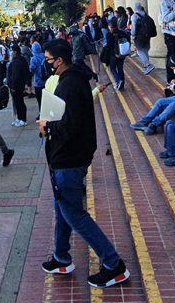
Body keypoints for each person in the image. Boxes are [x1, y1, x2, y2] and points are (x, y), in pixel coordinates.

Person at [39, 40, 130, 288]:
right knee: (62, 208)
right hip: (70, 156)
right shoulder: (73, 79)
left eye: (48, 59)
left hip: (68, 159)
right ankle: (60, 257)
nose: (46, 63)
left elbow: (67, 125)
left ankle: (113, 264)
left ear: (59, 60)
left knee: (74, 214)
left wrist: (46, 126)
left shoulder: (68, 85)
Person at [129, 58, 175, 134]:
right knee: (160, 102)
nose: (174, 70)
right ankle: (144, 121)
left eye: (173, 68)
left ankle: (154, 124)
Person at [131, 2, 155, 75]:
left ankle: (148, 65)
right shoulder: (145, 14)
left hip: (139, 36)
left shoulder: (134, 16)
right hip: (147, 35)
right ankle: (146, 67)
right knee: (145, 50)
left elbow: (133, 26)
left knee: (139, 51)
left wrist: (133, 34)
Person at [8, 44, 29, 127]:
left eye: (12, 51)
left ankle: (22, 119)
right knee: (17, 102)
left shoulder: (17, 61)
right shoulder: (19, 59)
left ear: (15, 52)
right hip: (19, 85)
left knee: (19, 102)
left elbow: (15, 75)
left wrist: (13, 86)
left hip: (17, 86)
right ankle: (19, 118)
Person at [105, 20, 128, 92]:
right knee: (120, 69)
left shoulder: (109, 34)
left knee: (112, 68)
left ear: (111, 26)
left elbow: (109, 45)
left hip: (113, 54)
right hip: (122, 54)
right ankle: (122, 86)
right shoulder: (121, 32)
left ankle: (118, 81)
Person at [29, 41, 47, 110]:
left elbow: (31, 69)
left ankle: (41, 113)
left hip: (38, 82)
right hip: (46, 80)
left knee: (40, 100)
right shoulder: (44, 55)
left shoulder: (33, 59)